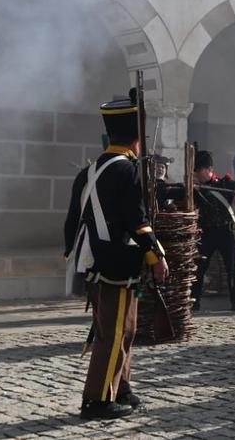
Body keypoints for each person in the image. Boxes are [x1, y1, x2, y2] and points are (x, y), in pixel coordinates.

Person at [63, 94, 169, 420]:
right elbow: (137, 220)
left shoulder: (89, 170)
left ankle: (120, 387)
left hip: (93, 260)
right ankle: (96, 400)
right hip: (117, 262)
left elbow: (71, 222)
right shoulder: (127, 170)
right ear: (136, 137)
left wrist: (77, 257)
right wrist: (156, 255)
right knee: (113, 333)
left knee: (126, 328)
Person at [190, 150, 235, 312]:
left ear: (208, 169)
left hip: (226, 233)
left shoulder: (224, 183)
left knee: (232, 269)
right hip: (206, 234)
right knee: (199, 268)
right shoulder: (197, 189)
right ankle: (195, 301)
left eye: (199, 171)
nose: (197, 174)